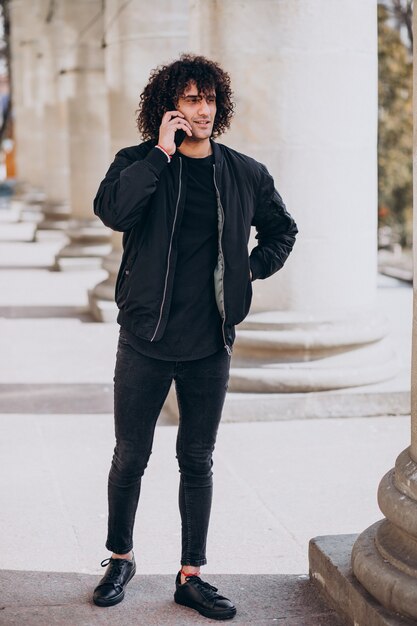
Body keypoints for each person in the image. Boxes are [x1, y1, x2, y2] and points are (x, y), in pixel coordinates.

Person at [92, 53, 298, 620]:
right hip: (144, 338)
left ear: (219, 105)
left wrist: (246, 271)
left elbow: (283, 230)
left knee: (197, 460)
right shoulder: (138, 162)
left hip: (209, 342)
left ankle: (191, 575)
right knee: (130, 457)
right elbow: (112, 211)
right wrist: (159, 153)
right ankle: (121, 558)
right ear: (169, 107)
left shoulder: (243, 172)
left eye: (208, 98)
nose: (201, 109)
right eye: (189, 98)